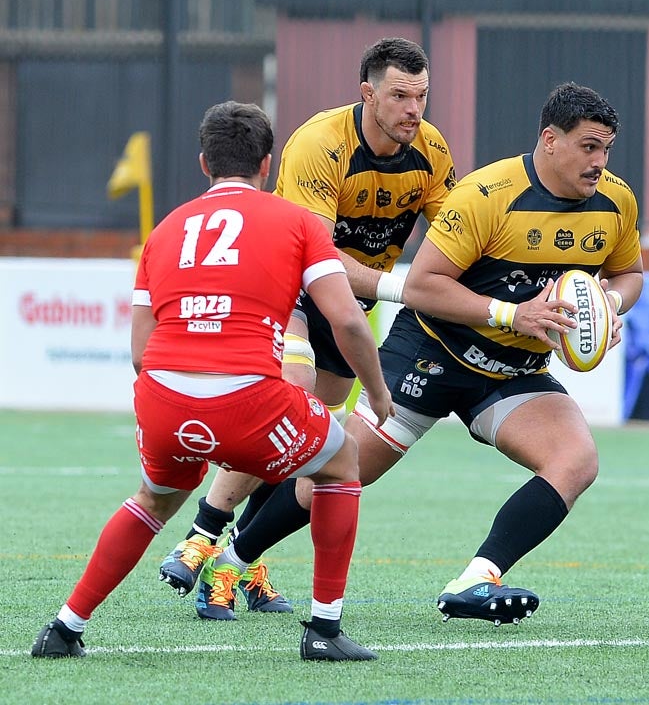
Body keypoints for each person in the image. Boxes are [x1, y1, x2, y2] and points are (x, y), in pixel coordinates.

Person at [209, 81, 644, 624]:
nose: (600, 161)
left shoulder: (616, 201)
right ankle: (229, 560)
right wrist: (512, 314)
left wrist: (609, 302)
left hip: (511, 370)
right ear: (550, 140)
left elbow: (630, 274)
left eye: (606, 148)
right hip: (432, 354)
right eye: (589, 146)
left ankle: (476, 580)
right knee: (339, 470)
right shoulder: (487, 195)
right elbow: (421, 285)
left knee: (575, 461)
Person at [30, 101, 393, 661]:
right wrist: (376, 390)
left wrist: (176, 404)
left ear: (204, 163)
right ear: (267, 164)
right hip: (251, 397)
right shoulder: (296, 221)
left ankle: (65, 627)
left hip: (163, 397)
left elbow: (138, 352)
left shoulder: (166, 229)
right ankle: (323, 631)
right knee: (340, 465)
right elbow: (346, 319)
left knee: (152, 499)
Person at [157, 36, 456, 617]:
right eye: (399, 95)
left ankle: (238, 566)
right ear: (366, 93)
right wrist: (404, 288)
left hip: (351, 310)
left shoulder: (432, 151)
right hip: (293, 292)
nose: (413, 110)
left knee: (298, 443)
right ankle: (201, 536)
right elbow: (314, 255)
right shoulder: (321, 143)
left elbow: (451, 242)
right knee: (286, 406)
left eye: (421, 96)